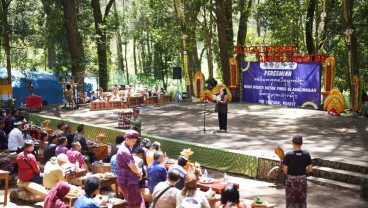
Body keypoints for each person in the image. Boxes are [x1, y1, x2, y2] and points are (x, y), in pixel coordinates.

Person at [116, 130, 145, 208]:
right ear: (127, 139)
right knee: (137, 203)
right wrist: (139, 173)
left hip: (126, 179)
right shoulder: (125, 150)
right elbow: (132, 166)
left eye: (135, 141)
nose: (134, 143)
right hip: (127, 180)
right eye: (133, 141)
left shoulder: (125, 147)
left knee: (132, 202)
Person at [282, 135, 313, 208]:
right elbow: (310, 169)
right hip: (302, 180)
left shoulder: (288, 155)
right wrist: (304, 170)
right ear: (302, 143)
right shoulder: (306, 154)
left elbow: (285, 169)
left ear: (292, 143)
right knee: (301, 201)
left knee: (290, 201)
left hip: (291, 181)